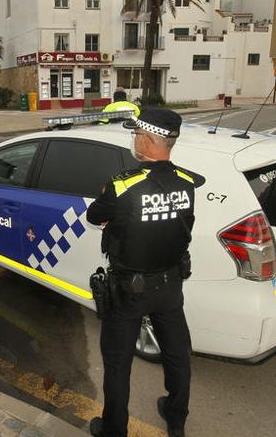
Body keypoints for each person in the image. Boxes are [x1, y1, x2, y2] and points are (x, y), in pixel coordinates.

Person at [86, 109, 204, 437]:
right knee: (177, 353)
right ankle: (176, 419)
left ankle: (113, 430)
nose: (134, 140)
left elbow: (94, 215)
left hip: (129, 291)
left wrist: (118, 218)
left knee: (118, 363)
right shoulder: (188, 183)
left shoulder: (123, 186)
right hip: (170, 285)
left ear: (148, 140)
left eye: (136, 134)